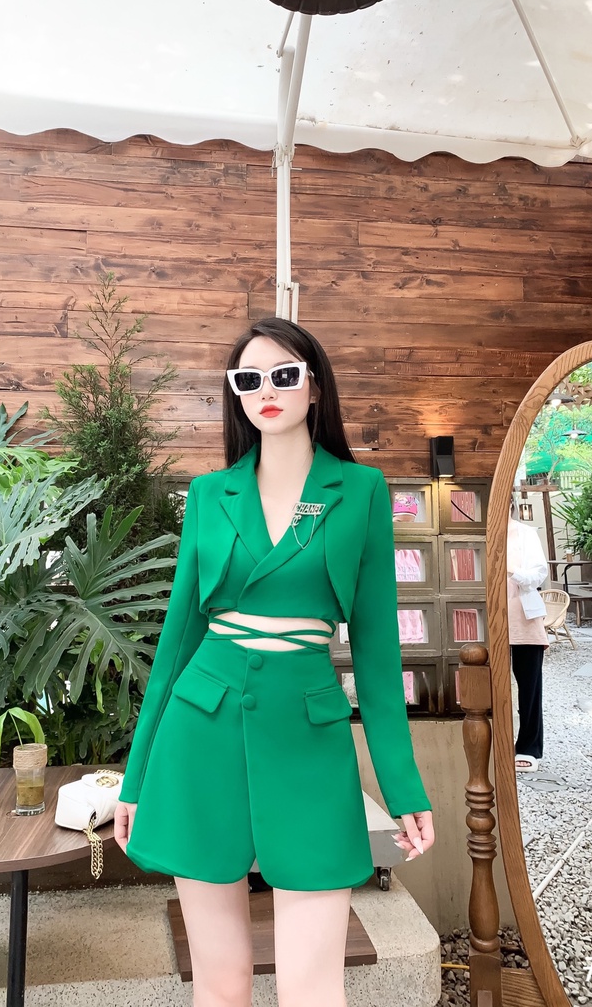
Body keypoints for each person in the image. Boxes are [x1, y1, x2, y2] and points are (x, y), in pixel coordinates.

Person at [113, 317, 435, 1007]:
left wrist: (404, 788)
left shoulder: (361, 491)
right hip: (200, 732)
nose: (267, 390)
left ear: (315, 387)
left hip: (308, 737)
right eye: (248, 379)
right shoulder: (210, 494)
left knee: (312, 988)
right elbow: (177, 642)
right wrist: (134, 779)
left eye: (284, 375)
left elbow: (378, 657)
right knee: (220, 984)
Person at [506, 497, 549, 773]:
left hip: (523, 616)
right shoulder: (479, 534)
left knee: (529, 687)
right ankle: (499, 741)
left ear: (510, 504)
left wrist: (511, 570)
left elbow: (539, 574)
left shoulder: (525, 533)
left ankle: (529, 747)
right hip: (489, 617)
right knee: (490, 683)